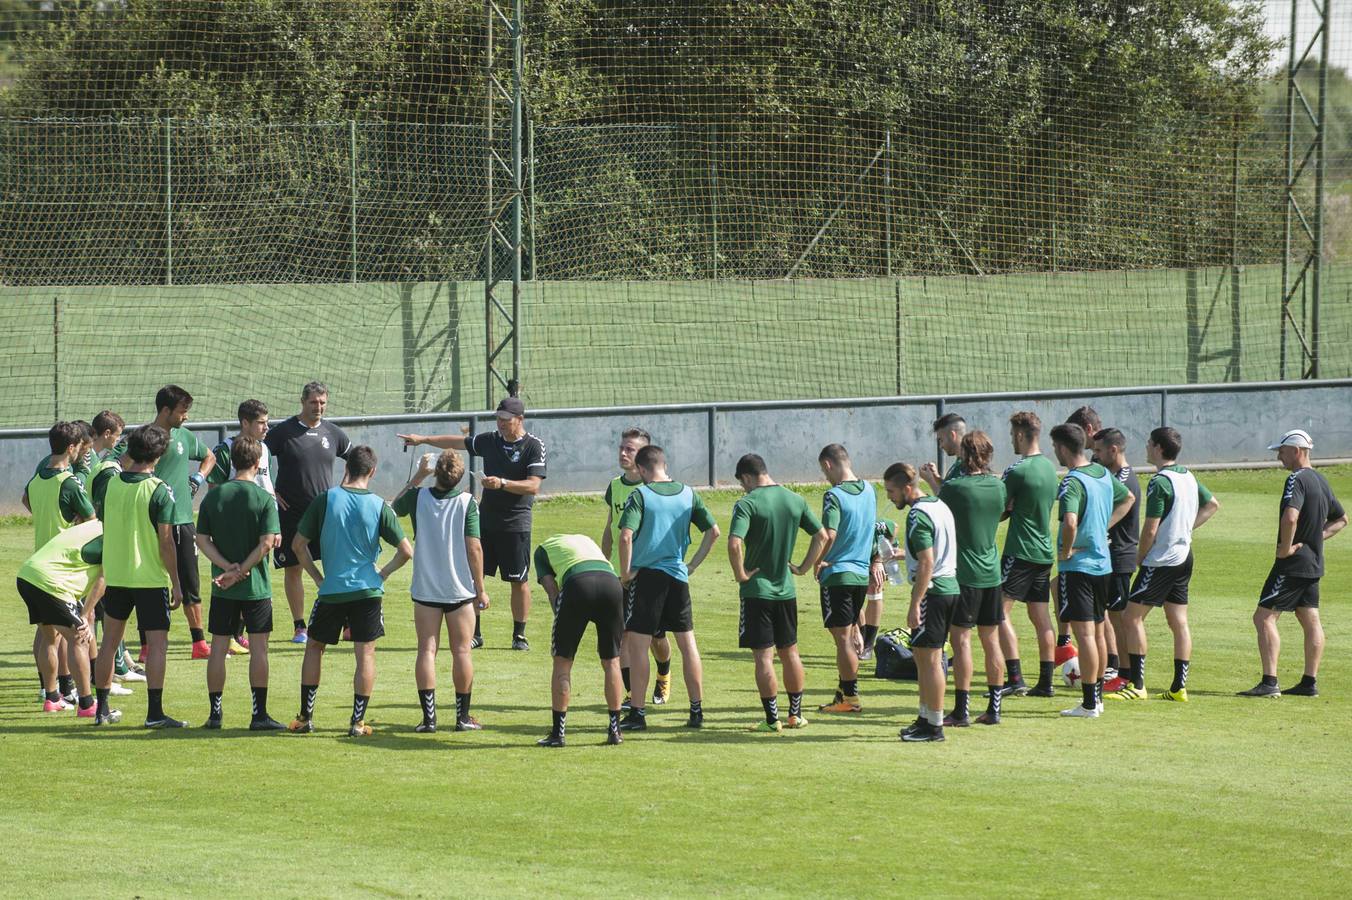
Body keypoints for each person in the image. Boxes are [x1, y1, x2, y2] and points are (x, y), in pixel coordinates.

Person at [399, 396, 546, 651]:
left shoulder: (534, 446)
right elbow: (458, 442)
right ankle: (475, 632)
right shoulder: (490, 440)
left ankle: (519, 635)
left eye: (505, 420)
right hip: (485, 519)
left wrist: (502, 483)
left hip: (516, 522)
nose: (500, 424)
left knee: (519, 580)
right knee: (473, 574)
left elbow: (534, 486)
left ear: (519, 420)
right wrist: (423, 439)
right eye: (498, 419)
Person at [289, 446, 413, 736]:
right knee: (365, 655)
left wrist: (319, 578)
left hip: (332, 590)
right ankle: (357, 723)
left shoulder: (326, 499)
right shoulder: (379, 505)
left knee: (314, 648)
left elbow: (298, 546)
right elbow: (406, 551)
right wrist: (382, 573)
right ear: (372, 471)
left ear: (346, 469)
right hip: (368, 591)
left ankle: (306, 718)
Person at [617, 444, 720, 731]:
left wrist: (625, 575)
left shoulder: (640, 495)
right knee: (688, 646)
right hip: (678, 576)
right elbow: (713, 532)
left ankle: (637, 712)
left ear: (640, 469)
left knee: (638, 647)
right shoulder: (689, 493)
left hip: (648, 578)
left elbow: (626, 537)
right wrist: (692, 565)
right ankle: (696, 711)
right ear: (664, 463)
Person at [109, 386, 216, 660]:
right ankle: (146, 646)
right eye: (183, 411)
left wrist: (199, 478)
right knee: (148, 581)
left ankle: (199, 642)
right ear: (166, 411)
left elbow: (209, 456)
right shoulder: (144, 438)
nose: (186, 417)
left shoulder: (184, 436)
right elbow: (120, 463)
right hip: (150, 522)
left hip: (182, 519)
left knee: (190, 580)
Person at [1114, 427, 1220, 702]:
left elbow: (1150, 530)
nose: (1146, 448)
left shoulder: (1160, 482)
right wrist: (1185, 530)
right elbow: (1212, 505)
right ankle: (1178, 687)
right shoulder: (1187, 475)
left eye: (1150, 444)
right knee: (1178, 621)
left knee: (1130, 617)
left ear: (1159, 448)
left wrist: (1140, 558)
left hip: (1161, 560)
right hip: (1185, 557)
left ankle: (1137, 685)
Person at [91, 425, 186, 728]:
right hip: (148, 578)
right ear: (159, 454)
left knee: (109, 641)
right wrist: (176, 581)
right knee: (157, 645)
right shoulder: (159, 489)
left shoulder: (112, 485)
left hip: (116, 575)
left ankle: (102, 709)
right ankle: (155, 713)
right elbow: (167, 541)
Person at [1240, 429, 1346, 698]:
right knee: (1310, 619)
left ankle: (1269, 682)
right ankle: (1309, 683)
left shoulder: (1296, 479)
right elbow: (1342, 520)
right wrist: (1316, 538)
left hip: (1293, 563)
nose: (1279, 457)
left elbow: (1290, 518)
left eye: (1282, 451)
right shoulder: (1321, 481)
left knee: (1264, 617)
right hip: (1313, 564)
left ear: (1296, 451)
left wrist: (1285, 550)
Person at [727, 453, 827, 733]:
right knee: (790, 652)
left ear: (747, 477)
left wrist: (741, 575)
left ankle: (772, 720)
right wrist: (804, 567)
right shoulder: (795, 499)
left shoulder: (747, 503)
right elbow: (822, 536)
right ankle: (796, 714)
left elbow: (734, 544)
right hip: (786, 590)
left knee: (763, 657)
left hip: (757, 591)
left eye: (743, 484)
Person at [391, 450, 488, 733]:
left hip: (426, 588)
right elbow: (474, 548)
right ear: (458, 476)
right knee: (461, 652)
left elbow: (393, 507)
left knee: (426, 650)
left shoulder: (418, 496)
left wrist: (418, 476)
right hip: (459, 590)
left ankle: (429, 719)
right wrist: (480, 589)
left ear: (436, 472)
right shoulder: (467, 502)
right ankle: (462, 717)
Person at [195, 437, 286, 730]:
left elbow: (202, 540)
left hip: (222, 587)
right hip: (256, 587)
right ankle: (259, 715)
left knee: (219, 647)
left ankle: (215, 713)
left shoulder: (214, 497)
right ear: (259, 462)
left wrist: (227, 568)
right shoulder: (263, 498)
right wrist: (243, 570)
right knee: (259, 649)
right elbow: (267, 544)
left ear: (232, 461)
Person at [1049, 423, 1134, 718]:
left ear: (1061, 448)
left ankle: (1088, 704)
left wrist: (1067, 549)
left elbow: (1070, 521)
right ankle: (1095, 699)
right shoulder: (1102, 473)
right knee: (1098, 631)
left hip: (1079, 567)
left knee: (1085, 635)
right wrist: (1100, 529)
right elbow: (1129, 499)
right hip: (1103, 565)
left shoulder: (1072, 482)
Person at [266, 382, 353, 644]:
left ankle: (346, 622)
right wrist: (270, 490)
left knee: (335, 565)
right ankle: (299, 626)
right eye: (314, 402)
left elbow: (355, 459)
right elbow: (259, 458)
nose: (318, 407)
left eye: (323, 402)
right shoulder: (283, 432)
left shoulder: (333, 433)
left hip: (326, 513)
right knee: (293, 569)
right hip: (290, 513)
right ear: (302, 401)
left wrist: (346, 489)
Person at [884, 463, 960, 744]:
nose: (890, 498)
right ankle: (925, 717)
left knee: (930, 662)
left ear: (906, 487)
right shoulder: (938, 504)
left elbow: (928, 561)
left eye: (891, 491)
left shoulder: (918, 515)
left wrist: (915, 603)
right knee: (923, 657)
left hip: (934, 591)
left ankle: (934, 725)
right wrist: (905, 554)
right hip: (949, 585)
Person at [938, 431, 1008, 726]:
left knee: (961, 642)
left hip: (965, 575)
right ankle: (994, 709)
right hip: (992, 574)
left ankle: (961, 710)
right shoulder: (999, 487)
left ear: (964, 455)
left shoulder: (954, 488)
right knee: (991, 641)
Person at [601, 427, 674, 707]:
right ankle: (632, 695)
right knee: (623, 635)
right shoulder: (615, 486)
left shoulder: (652, 490)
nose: (622, 453)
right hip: (621, 574)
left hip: (649, 574)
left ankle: (664, 674)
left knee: (656, 637)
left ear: (643, 455)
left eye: (629, 449)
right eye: (621, 447)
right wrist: (604, 560)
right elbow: (611, 525)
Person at [24, 422, 96, 702]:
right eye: (79, 447)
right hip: (63, 567)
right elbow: (91, 521)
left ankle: (50, 690)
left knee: (46, 634)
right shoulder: (68, 481)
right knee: (72, 634)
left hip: (38, 563)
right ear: (71, 448)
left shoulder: (37, 479)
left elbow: (26, 500)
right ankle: (69, 690)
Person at [534, 533, 627, 747]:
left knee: (563, 662)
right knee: (612, 660)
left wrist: (564, 626)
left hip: (578, 584)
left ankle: (558, 734)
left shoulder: (541, 551)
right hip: (611, 584)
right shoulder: (586, 540)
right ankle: (615, 731)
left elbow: (552, 592)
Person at [208, 399, 278, 656]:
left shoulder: (266, 450)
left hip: (261, 526)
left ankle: (240, 631)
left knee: (256, 579)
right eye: (261, 423)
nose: (266, 428)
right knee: (232, 575)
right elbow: (214, 489)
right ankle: (230, 634)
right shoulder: (225, 450)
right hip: (232, 528)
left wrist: (276, 527)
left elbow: (270, 488)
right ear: (245, 423)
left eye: (267, 422)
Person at [997, 411, 1059, 697]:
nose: (1011, 439)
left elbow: (998, 508)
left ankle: (1015, 677)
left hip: (1019, 550)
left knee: (998, 611)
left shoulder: (1017, 470)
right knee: (1040, 615)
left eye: (1012, 435)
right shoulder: (1050, 468)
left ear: (1021, 435)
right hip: (1044, 552)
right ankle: (1046, 681)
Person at [812, 444, 876, 714]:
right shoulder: (870, 490)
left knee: (843, 641)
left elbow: (829, 533)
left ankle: (850, 698)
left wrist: (818, 561)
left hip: (838, 574)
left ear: (828, 465)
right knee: (848, 636)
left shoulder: (834, 495)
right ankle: (843, 692)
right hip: (860, 574)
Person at [17, 518, 103, 716]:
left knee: (50, 637)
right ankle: (87, 705)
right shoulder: (113, 535)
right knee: (79, 637)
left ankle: (52, 699)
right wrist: (83, 615)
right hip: (50, 583)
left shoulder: (91, 525)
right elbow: (103, 578)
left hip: (27, 576)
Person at [1094, 427, 1141, 692]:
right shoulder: (1114, 474)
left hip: (1120, 555)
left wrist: (1099, 527)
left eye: (1099, 450)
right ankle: (1119, 668)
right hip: (1112, 555)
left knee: (1119, 617)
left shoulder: (1124, 480)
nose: (1095, 455)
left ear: (1114, 450)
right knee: (1112, 616)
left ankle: (1127, 672)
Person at [920, 412, 967, 493]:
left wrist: (930, 480)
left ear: (952, 435)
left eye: (941, 440)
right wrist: (936, 477)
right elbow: (948, 488)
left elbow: (946, 500)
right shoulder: (960, 462)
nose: (940, 446)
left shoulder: (968, 466)